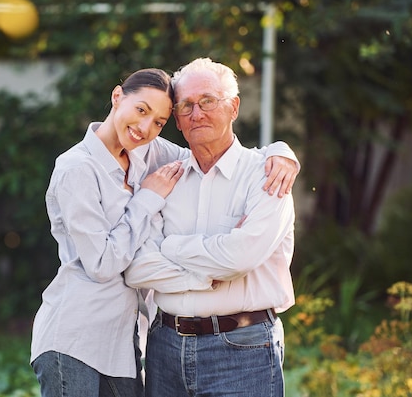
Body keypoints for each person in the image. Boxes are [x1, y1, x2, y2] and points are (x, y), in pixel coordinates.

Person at [30, 67, 299, 397]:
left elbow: (213, 156)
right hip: (81, 337)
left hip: (133, 345)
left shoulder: (153, 154)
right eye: (142, 110)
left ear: (234, 106)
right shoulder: (88, 169)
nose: (146, 128)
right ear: (117, 97)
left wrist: (281, 152)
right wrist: (201, 274)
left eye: (158, 121)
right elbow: (121, 266)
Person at [124, 58, 297, 397]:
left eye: (207, 101)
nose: (196, 113)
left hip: (243, 350)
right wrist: (209, 268)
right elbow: (137, 267)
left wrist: (170, 247)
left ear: (233, 107)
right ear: (175, 118)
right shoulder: (165, 177)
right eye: (185, 105)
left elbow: (239, 258)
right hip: (165, 347)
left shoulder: (268, 175)